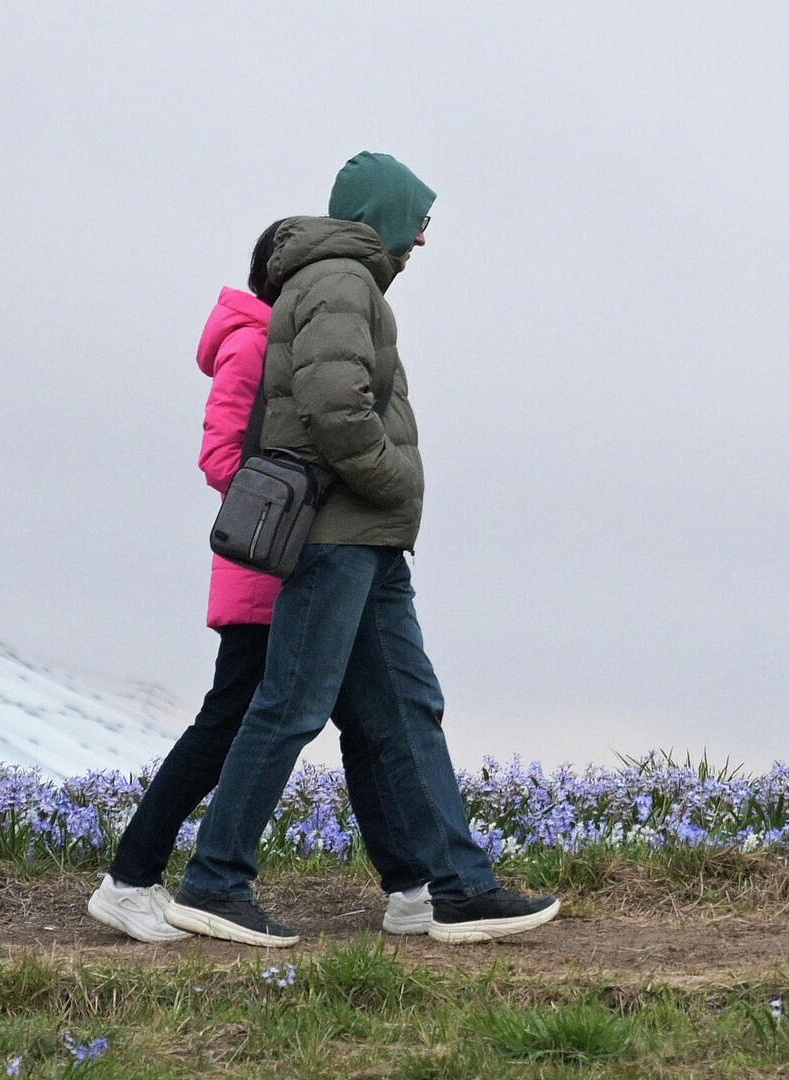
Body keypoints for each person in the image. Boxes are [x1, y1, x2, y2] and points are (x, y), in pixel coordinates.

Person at [165, 153, 557, 947]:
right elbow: (334, 405)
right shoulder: (342, 281)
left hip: (367, 543)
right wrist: (390, 481)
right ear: (382, 216)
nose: (421, 240)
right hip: (343, 535)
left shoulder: (346, 282)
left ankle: (457, 888)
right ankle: (213, 882)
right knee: (291, 707)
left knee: (407, 711)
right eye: (417, 222)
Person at [87, 221, 436, 944]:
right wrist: (306, 494)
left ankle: (412, 886)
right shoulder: (252, 345)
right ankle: (130, 878)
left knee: (363, 726)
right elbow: (221, 456)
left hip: (306, 571)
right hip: (267, 575)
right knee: (230, 724)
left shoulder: (291, 343)